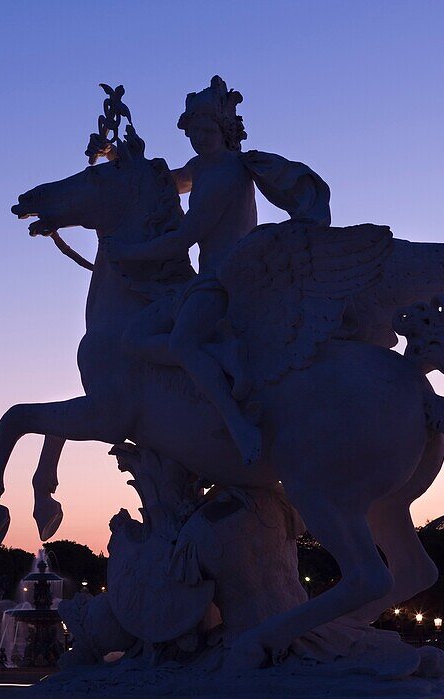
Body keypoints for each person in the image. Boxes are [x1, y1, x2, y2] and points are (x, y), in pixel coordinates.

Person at [113, 76, 331, 464]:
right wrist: (118, 157)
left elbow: (183, 238)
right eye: (193, 130)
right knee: (132, 337)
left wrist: (129, 253)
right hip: (204, 280)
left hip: (224, 280)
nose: (198, 137)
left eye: (206, 129)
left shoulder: (227, 174)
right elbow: (168, 182)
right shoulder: (201, 166)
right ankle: (221, 354)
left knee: (181, 343)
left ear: (224, 131)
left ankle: (237, 424)